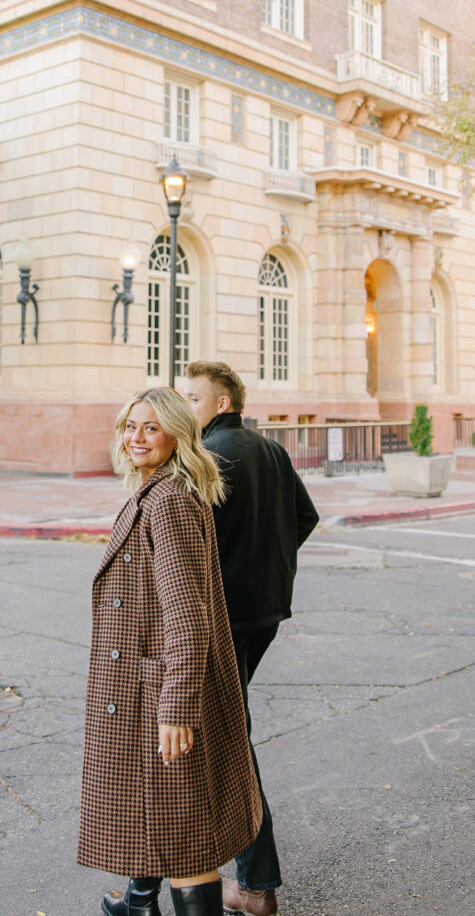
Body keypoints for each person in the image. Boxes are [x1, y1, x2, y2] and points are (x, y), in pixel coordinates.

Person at [78, 387, 264, 916]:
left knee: (183, 834)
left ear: (178, 435)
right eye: (130, 426)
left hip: (158, 693)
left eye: (151, 428)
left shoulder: (170, 502)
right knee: (162, 814)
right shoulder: (156, 490)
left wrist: (177, 708)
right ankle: (140, 904)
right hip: (147, 685)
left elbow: (188, 616)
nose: (136, 438)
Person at [184, 361, 319, 916]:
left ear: (220, 404)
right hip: (267, 610)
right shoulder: (271, 449)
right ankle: (211, 872)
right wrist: (271, 564)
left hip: (224, 619)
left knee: (229, 741)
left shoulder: (205, 458)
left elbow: (183, 545)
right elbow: (305, 518)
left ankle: (256, 885)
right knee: (221, 733)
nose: (184, 406)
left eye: (192, 398)